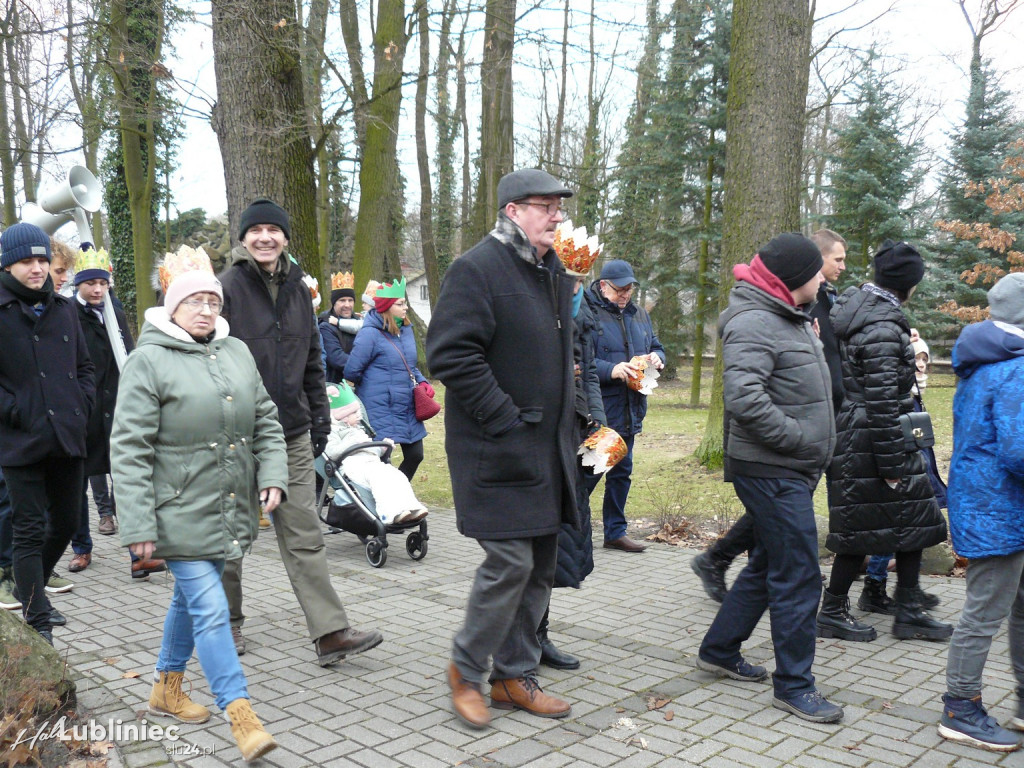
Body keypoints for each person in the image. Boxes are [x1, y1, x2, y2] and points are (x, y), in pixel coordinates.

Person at [111, 253, 286, 762]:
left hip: (227, 506)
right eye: (194, 300)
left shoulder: (235, 352)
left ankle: (166, 688)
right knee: (211, 609)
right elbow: (129, 446)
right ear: (173, 306)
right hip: (175, 510)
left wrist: (272, 474)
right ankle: (241, 713)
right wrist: (138, 523)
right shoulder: (149, 361)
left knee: (188, 602)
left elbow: (267, 422)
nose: (206, 309)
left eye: (213, 300)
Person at [427, 168, 578, 729]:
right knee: (510, 561)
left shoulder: (552, 271)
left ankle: (513, 676)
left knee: (541, 561)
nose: (557, 215)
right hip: (498, 448)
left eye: (559, 207)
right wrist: (506, 420)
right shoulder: (478, 268)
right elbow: (449, 355)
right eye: (546, 206)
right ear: (513, 210)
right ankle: (465, 673)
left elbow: (560, 360)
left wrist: (578, 417)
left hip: (547, 449)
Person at [219, 197, 382, 664]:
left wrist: (319, 419)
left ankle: (330, 632)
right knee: (231, 536)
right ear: (244, 238)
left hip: (289, 431)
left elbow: (313, 360)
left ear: (286, 238)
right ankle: (228, 625)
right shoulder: (226, 287)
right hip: (236, 434)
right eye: (256, 230)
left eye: (275, 230)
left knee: (304, 533)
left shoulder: (297, 290)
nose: (265, 237)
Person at [697, 233, 843, 724]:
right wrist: (801, 438)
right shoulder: (757, 320)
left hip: (790, 468)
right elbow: (744, 398)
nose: (824, 277)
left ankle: (719, 650)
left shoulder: (789, 316)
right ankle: (794, 686)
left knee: (766, 563)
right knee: (799, 574)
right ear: (794, 279)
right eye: (817, 271)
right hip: (771, 469)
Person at [817, 240, 952, 643]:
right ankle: (833, 610)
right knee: (860, 528)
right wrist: (892, 465)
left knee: (915, 517)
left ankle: (907, 608)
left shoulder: (873, 314)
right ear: (907, 283)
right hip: (874, 435)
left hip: (870, 432)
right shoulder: (880, 326)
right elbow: (880, 400)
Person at [937, 273, 1024, 752]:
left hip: (992, 504)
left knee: (1019, 608)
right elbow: (1019, 451)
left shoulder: (985, 359)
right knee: (984, 613)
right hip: (1000, 510)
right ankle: (960, 708)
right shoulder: (1016, 367)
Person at [0, 222, 95, 644]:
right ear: (7, 265)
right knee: (29, 528)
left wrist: (83, 403)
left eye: (42, 260)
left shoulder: (64, 309)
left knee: (66, 522)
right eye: (27, 261)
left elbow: (85, 366)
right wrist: (15, 410)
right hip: (21, 439)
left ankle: (28, 587)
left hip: (68, 434)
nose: (37, 268)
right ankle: (37, 618)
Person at [66, 249, 168, 580]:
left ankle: (138, 554)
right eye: (91, 284)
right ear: (79, 284)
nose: (98, 290)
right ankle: (82, 547)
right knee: (78, 482)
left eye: (103, 283)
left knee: (127, 477)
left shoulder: (114, 311)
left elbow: (127, 351)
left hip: (118, 405)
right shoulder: (66, 314)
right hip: (83, 410)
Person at [538, 229, 607, 671]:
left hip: (577, 429)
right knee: (541, 542)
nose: (576, 290)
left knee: (565, 537)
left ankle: (539, 631)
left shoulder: (582, 318)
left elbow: (589, 377)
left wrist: (598, 420)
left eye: (583, 282)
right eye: (571, 281)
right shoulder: (540, 311)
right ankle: (526, 634)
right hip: (545, 439)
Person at [859, 328, 945, 615]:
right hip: (900, 470)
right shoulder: (901, 395)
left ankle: (902, 587)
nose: (921, 365)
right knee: (898, 527)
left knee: (906, 528)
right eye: (915, 360)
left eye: (924, 360)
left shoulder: (916, 395)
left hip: (915, 469)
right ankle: (875, 585)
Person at [581, 259, 665, 553]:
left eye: (629, 289)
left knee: (622, 473)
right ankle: (567, 530)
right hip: (601, 410)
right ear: (603, 286)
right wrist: (612, 370)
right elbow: (581, 360)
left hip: (631, 406)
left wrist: (657, 358)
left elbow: (656, 345)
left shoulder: (639, 314)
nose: (625, 295)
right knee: (589, 473)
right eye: (619, 290)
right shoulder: (587, 313)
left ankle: (615, 532)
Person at [344, 278, 429, 481]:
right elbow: (352, 371)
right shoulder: (369, 334)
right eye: (400, 304)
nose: (405, 307)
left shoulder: (407, 331)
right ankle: (380, 504)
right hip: (379, 406)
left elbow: (410, 364)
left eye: (404, 302)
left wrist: (423, 381)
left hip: (406, 405)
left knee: (416, 455)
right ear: (387, 308)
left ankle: (397, 495)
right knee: (380, 460)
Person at [323, 382, 427, 524]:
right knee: (379, 479)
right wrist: (352, 442)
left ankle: (411, 508)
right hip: (351, 466)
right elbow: (332, 453)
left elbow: (370, 450)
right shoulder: (333, 432)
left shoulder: (357, 430)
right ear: (343, 416)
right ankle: (389, 514)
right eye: (354, 413)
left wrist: (382, 447)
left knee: (396, 475)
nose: (359, 416)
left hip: (371, 462)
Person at [320, 272, 362, 383]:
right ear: (334, 303)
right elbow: (336, 358)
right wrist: (363, 366)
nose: (347, 305)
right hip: (336, 384)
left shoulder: (360, 323)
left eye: (350, 300)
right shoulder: (325, 326)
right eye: (342, 300)